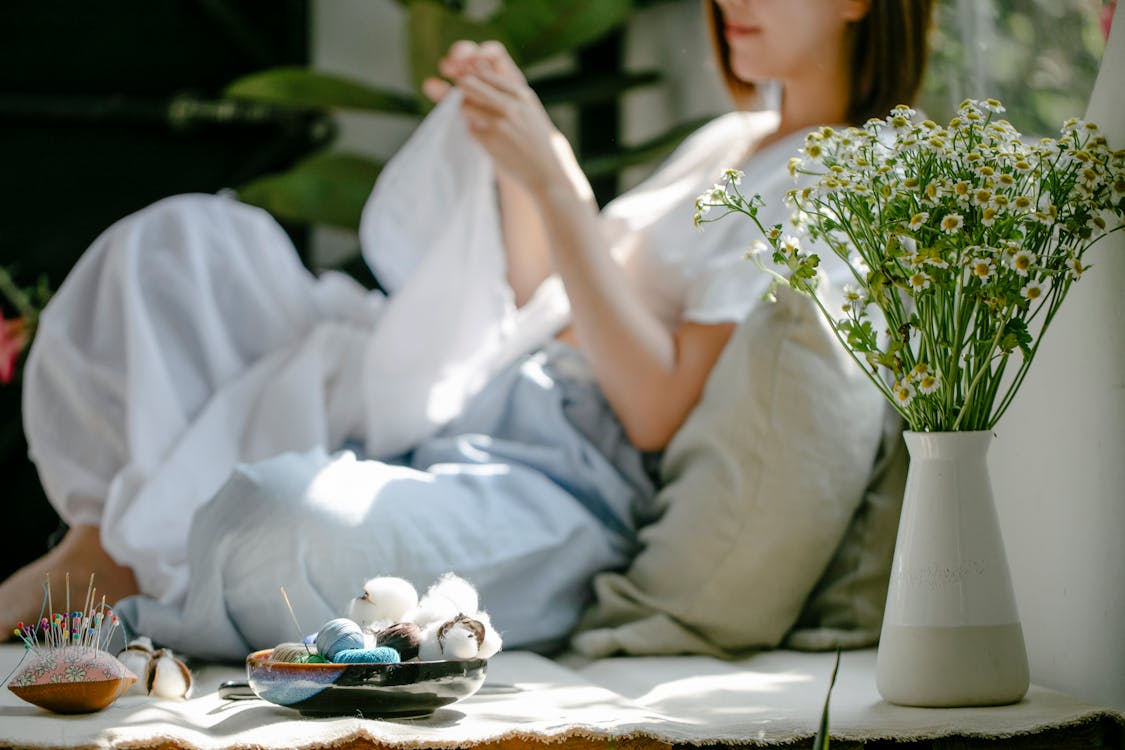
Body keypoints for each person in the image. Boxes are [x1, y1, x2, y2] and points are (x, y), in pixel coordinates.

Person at [0, 0, 933, 659]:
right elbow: (547, 297)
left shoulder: (844, 169)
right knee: (184, 255)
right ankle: (99, 558)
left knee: (270, 521)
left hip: (561, 477)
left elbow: (652, 411)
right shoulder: (728, 142)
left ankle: (107, 567)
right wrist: (514, 158)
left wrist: (563, 187)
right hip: (478, 395)